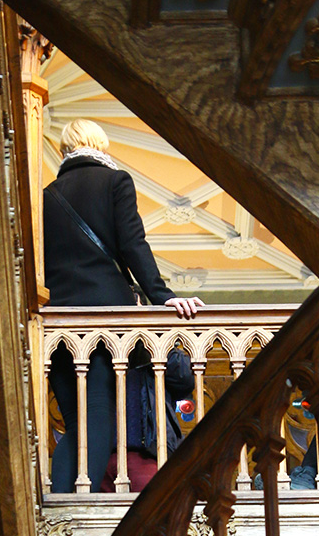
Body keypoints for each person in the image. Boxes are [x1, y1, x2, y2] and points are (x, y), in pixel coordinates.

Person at [43, 118, 203, 493]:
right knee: (98, 417)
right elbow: (133, 245)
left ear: (65, 150)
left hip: (58, 322)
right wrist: (163, 297)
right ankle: (71, 508)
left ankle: (57, 498)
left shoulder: (47, 196)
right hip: (104, 320)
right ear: (101, 145)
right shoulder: (115, 182)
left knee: (74, 422)